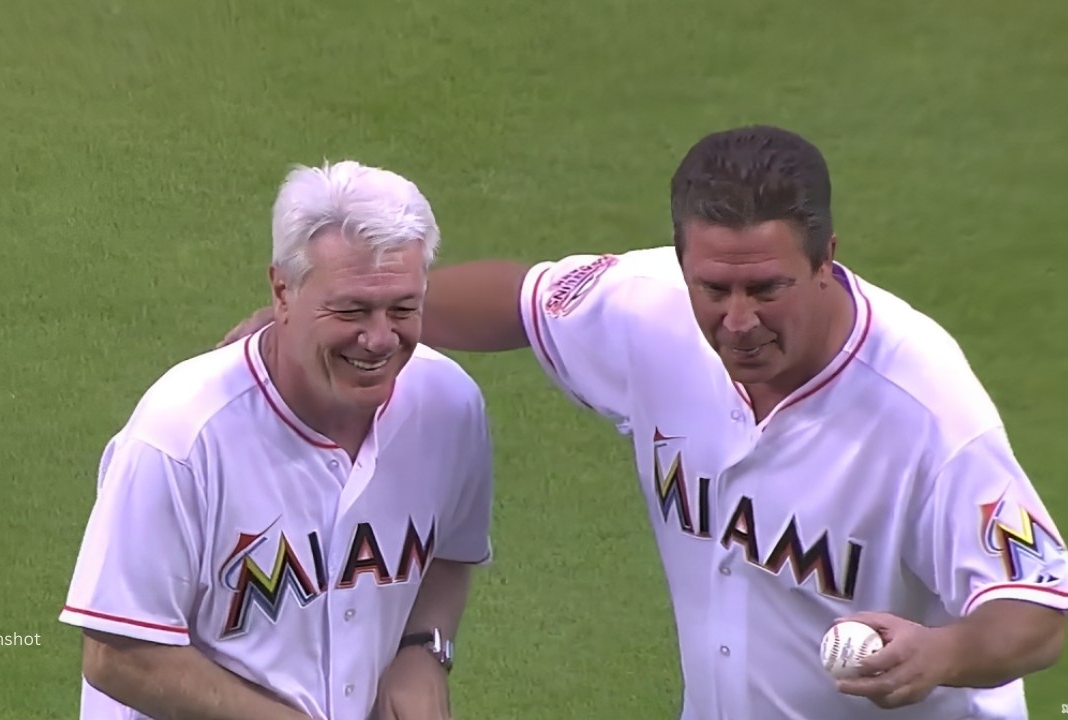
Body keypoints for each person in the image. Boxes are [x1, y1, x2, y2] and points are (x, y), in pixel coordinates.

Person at [220, 126, 1068, 719]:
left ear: (825, 262)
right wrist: (358, 319)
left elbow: (1039, 605)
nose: (737, 320)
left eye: (765, 288)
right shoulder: (650, 309)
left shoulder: (927, 412)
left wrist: (942, 656)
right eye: (714, 288)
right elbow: (520, 303)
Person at [61, 160, 494, 720]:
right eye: (351, 309)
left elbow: (451, 552)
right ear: (282, 292)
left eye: (404, 309)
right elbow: (117, 656)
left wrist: (423, 652)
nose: (380, 339)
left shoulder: (449, 408)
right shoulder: (182, 437)